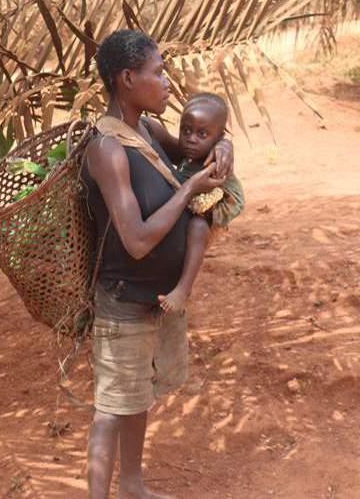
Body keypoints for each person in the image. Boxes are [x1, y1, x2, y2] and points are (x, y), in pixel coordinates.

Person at [81, 29, 234, 499]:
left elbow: (196, 151)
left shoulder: (145, 130)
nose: (168, 82)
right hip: (123, 302)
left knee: (137, 398)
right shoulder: (108, 148)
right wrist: (189, 190)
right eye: (158, 72)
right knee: (110, 408)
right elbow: (138, 239)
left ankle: (131, 487)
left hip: (153, 300)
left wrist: (225, 147)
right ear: (128, 78)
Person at [158, 92, 245, 314]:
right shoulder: (188, 156)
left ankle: (183, 289)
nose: (191, 139)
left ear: (218, 139)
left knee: (197, 228)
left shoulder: (215, 162)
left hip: (215, 207)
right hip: (195, 203)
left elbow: (225, 196)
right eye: (186, 131)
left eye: (202, 134)